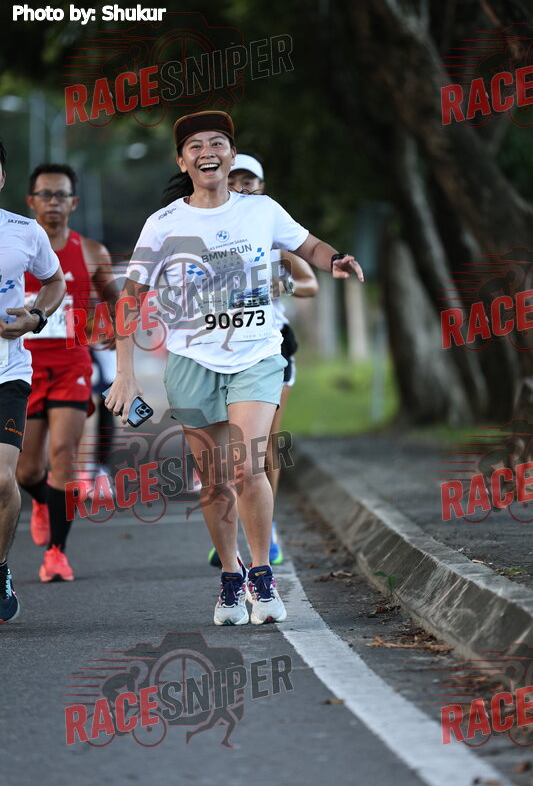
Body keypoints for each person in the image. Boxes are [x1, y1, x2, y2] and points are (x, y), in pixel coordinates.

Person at [105, 110, 363, 626]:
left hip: (256, 354)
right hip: (193, 361)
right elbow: (131, 298)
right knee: (214, 481)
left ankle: (262, 575)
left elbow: (307, 245)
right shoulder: (164, 223)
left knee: (248, 465)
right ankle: (230, 575)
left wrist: (333, 258)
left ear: (231, 154)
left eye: (218, 143)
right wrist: (125, 372)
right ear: (183, 161)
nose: (208, 152)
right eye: (196, 146)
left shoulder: (262, 210)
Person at [207, 153, 318, 568]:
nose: (242, 186)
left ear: (261, 187)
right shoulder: (211, 234)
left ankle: (266, 530)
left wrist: (280, 284)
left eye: (249, 181)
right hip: (223, 347)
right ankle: (230, 531)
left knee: (266, 443)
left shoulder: (275, 235)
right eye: (235, 179)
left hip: (272, 346)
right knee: (227, 448)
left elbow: (310, 283)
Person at [16, 163, 118, 583]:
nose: (53, 202)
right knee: (25, 471)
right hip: (23, 367)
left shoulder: (91, 252)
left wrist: (109, 328)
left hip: (72, 365)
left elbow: (116, 303)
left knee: (64, 454)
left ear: (74, 202)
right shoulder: (13, 248)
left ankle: (57, 553)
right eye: (45, 194)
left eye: (61, 195)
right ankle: (43, 499)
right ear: (31, 201)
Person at [0, 142, 66, 621]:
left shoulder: (24, 231)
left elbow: (54, 281)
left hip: (7, 372)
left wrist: (36, 317)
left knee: (3, 480)